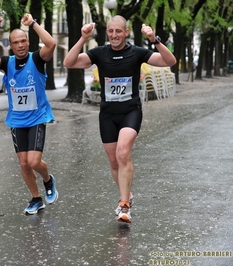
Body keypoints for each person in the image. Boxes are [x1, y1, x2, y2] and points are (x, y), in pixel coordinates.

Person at [63, 16, 176, 223]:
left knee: (123, 152)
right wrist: (82, 38)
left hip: (130, 111)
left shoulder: (137, 53)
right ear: (107, 33)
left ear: (126, 33)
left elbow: (170, 61)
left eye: (118, 31)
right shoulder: (99, 53)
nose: (114, 35)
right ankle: (127, 194)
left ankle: (124, 206)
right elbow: (68, 62)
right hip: (107, 114)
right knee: (114, 160)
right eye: (111, 31)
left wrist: (154, 39)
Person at [0, 14, 59, 215]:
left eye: (23, 41)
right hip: (17, 120)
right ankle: (35, 198)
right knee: (24, 164)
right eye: (16, 42)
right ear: (11, 46)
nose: (21, 45)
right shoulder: (7, 64)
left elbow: (51, 44)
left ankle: (48, 180)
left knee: (33, 162)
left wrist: (32, 23)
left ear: (28, 42)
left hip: (37, 117)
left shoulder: (37, 59)